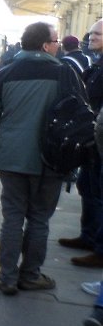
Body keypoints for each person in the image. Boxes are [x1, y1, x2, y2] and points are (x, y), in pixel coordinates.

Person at [0, 21, 84, 295]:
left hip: (12, 160)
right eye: (56, 41)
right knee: (39, 219)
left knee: (12, 217)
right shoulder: (66, 73)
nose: (58, 46)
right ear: (44, 45)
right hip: (51, 161)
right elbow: (80, 118)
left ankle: (7, 278)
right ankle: (30, 276)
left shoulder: (4, 74)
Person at [61, 19, 103, 268]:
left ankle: (100, 249)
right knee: (87, 188)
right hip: (92, 140)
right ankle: (88, 237)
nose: (91, 37)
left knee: (99, 194)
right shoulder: (98, 64)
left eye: (97, 34)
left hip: (101, 142)